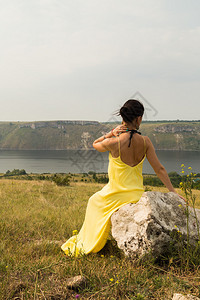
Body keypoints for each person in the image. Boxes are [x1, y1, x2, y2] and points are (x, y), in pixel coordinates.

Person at [61, 99, 185, 256]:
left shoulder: (115, 142)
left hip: (115, 193)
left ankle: (90, 244)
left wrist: (110, 133)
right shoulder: (146, 141)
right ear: (138, 118)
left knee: (94, 202)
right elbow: (159, 169)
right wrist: (172, 192)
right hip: (136, 194)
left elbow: (95, 144)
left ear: (123, 117)